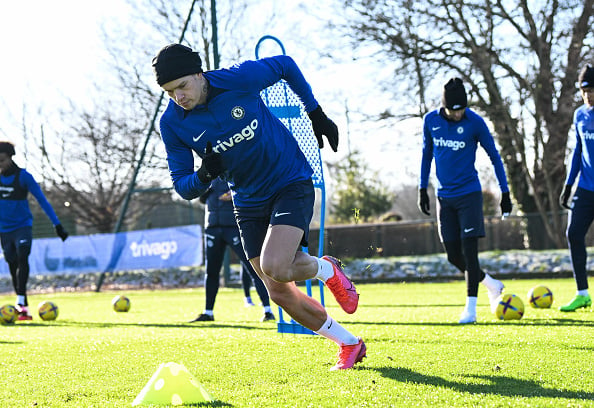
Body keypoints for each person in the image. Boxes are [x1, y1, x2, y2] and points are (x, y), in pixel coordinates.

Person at [152, 43, 365, 370]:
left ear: (199, 73)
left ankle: (327, 270)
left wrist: (315, 112)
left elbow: (285, 65)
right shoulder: (173, 124)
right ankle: (349, 343)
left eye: (182, 86)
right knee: (278, 291)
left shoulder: (238, 79)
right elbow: (183, 185)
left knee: (277, 265)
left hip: (289, 181)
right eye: (169, 92)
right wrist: (204, 175)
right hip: (248, 201)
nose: (178, 97)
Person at [418, 77, 512, 324]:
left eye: (461, 109)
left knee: (470, 254)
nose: (458, 114)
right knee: (453, 255)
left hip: (469, 194)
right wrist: (421, 189)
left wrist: (505, 192)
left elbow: (495, 157)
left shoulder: (475, 123)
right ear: (444, 106)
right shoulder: (431, 121)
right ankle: (492, 284)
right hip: (444, 197)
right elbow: (426, 154)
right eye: (453, 109)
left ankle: (471, 309)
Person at [190, 177, 275, 322]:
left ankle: (267, 310)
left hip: (233, 226)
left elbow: (252, 189)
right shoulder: (207, 175)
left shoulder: (234, 171)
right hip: (212, 228)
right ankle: (208, 312)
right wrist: (206, 187)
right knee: (211, 271)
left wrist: (233, 194)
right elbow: (201, 199)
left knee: (253, 267)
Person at [0, 141, 69, 320]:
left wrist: (57, 224)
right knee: (12, 263)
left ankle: (21, 303)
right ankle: (23, 307)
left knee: (23, 256)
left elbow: (42, 201)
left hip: (22, 226)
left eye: (1, 160)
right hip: (4, 230)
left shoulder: (24, 177)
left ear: (10, 157)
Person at [558, 64, 594, 312]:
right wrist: (568, 185)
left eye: (592, 90)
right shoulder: (579, 115)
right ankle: (582, 293)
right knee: (573, 233)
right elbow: (578, 151)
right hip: (585, 188)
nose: (589, 95)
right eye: (585, 91)